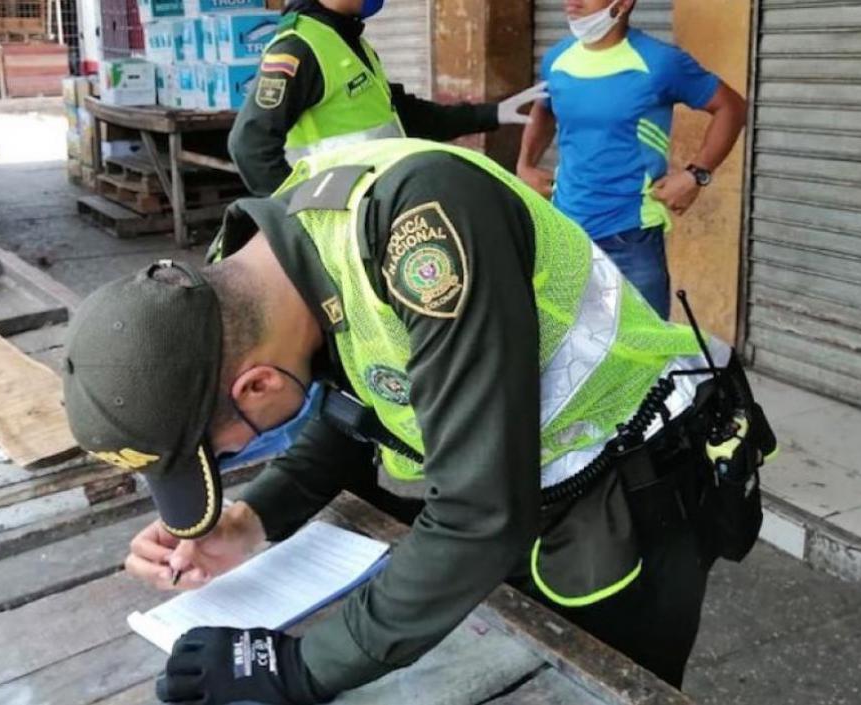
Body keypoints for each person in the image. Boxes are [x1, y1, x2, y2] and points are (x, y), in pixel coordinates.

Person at [62, 138, 776, 704]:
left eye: (220, 452)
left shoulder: (423, 230)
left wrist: (295, 668)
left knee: (603, 682)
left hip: (632, 484)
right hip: (532, 483)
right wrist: (251, 519)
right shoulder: (264, 274)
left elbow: (475, 516)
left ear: (254, 382)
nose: (229, 461)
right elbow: (350, 410)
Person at [516, 0, 746, 318]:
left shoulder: (660, 62)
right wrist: (525, 164)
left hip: (631, 240)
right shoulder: (557, 58)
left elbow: (731, 107)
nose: (572, 2)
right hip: (565, 234)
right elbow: (545, 106)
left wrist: (696, 175)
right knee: (564, 355)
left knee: (642, 358)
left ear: (623, 3)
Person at [228, 0, 546, 195]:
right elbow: (249, 145)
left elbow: (407, 117)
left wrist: (492, 114)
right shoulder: (299, 48)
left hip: (368, 210)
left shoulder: (350, 42)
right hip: (332, 222)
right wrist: (296, 213)